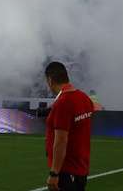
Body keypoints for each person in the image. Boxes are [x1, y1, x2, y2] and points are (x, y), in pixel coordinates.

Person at [43, 61, 94, 191]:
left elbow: (60, 140)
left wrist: (54, 173)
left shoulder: (63, 102)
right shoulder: (84, 98)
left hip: (66, 170)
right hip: (81, 168)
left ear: (50, 80)